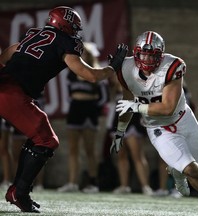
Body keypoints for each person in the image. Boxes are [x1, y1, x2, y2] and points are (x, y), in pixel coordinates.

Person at [0, 6, 127, 213]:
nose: (76, 32)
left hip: (6, 87)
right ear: (66, 25)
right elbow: (90, 75)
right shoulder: (66, 42)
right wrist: (113, 68)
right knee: (47, 140)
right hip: (12, 94)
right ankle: (19, 192)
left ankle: (18, 190)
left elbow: (7, 54)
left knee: (38, 138)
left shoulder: (35, 34)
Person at [110, 31, 198, 216]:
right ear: (136, 53)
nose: (146, 59)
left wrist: (136, 107)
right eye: (142, 54)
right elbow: (126, 104)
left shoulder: (171, 66)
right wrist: (120, 131)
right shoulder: (126, 69)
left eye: (151, 55)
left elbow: (167, 108)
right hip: (158, 128)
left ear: (160, 56)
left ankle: (178, 173)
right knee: (192, 170)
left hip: (183, 118)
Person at [57, 42, 108, 193]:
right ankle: (72, 182)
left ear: (91, 56)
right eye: (81, 53)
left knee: (89, 149)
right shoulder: (71, 73)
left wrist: (94, 107)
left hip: (89, 111)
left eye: (85, 53)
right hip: (75, 110)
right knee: (73, 149)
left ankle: (93, 183)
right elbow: (68, 94)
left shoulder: (96, 73)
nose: (82, 56)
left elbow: (103, 98)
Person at [112, 113, 153, 195]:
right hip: (119, 115)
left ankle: (146, 186)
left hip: (134, 115)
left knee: (137, 156)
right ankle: (124, 186)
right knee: (121, 155)